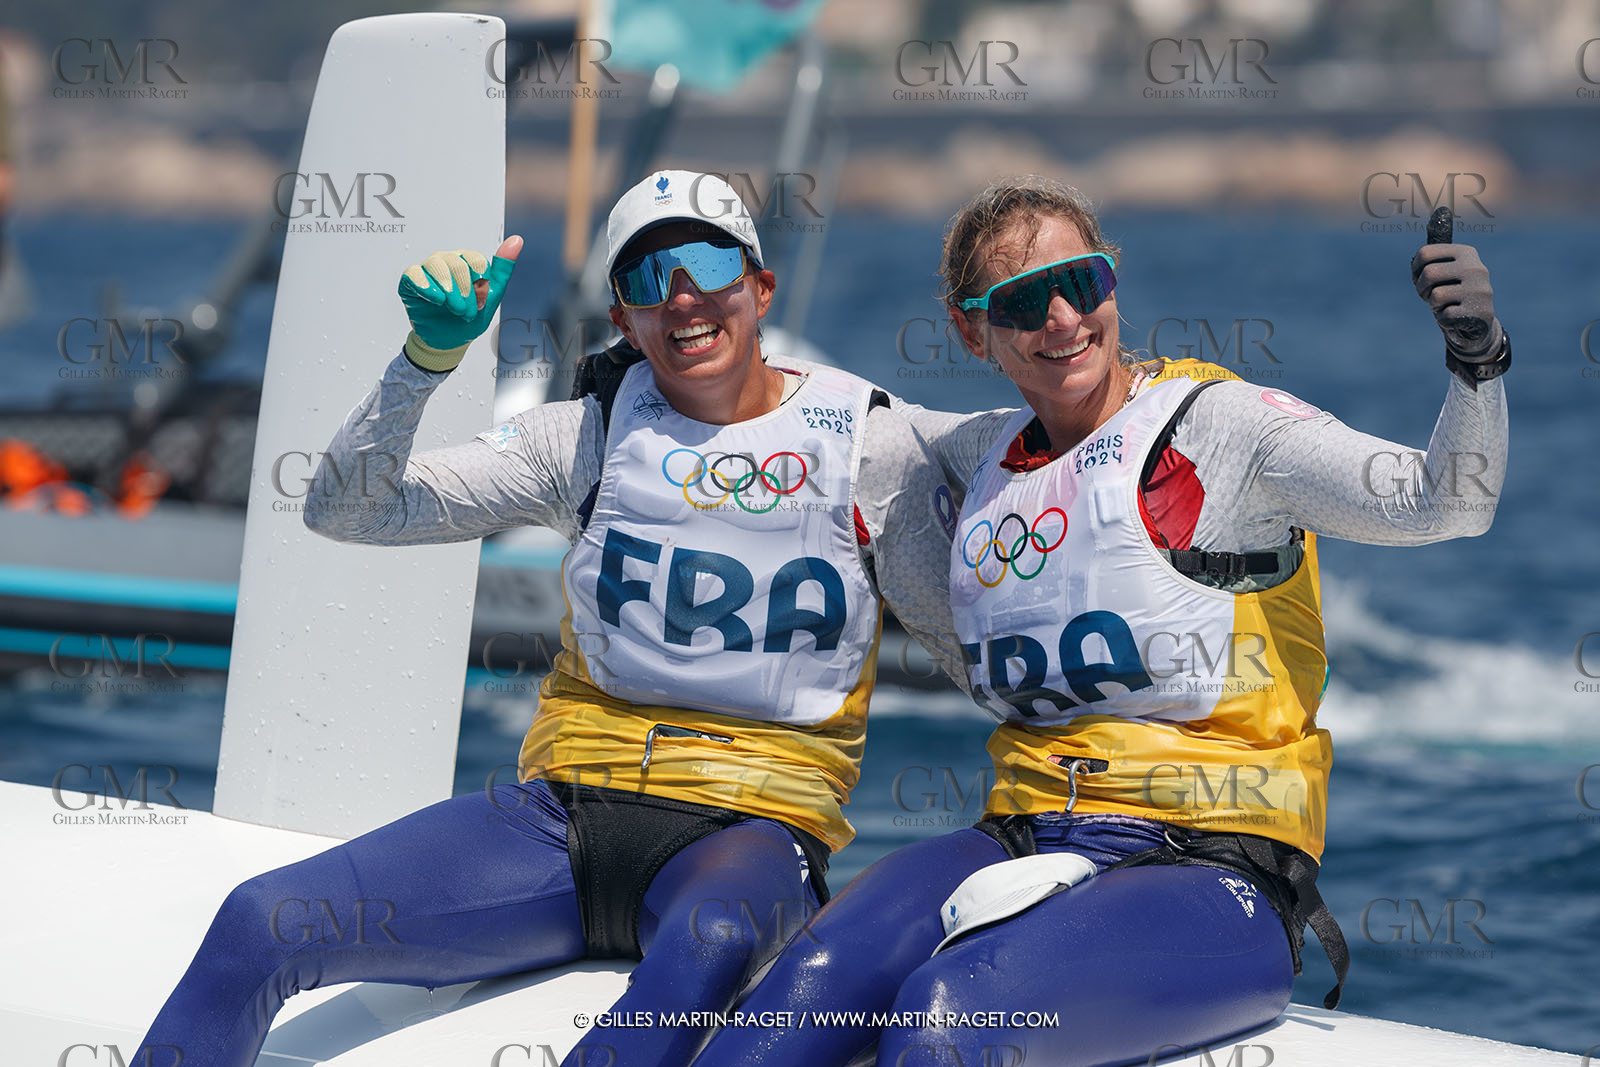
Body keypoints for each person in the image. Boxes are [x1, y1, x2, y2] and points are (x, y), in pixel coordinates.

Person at [124, 171, 963, 1067]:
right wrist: (424, 361)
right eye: (647, 278)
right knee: (262, 921)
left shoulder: (866, 442)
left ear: (758, 287)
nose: (682, 295)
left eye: (709, 263)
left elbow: (993, 583)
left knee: (712, 944)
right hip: (556, 822)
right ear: (624, 323)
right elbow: (349, 510)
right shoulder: (587, 435)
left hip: (750, 835)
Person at [690, 176, 1509, 1067]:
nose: (1061, 320)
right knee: (795, 992)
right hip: (1027, 830)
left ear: (1111, 281)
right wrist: (654, 382)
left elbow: (1444, 503)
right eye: (1021, 302)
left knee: (948, 1013)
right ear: (974, 331)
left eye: (1079, 284)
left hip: (1214, 866)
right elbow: (825, 421)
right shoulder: (977, 455)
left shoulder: (1220, 431)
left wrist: (1477, 361)